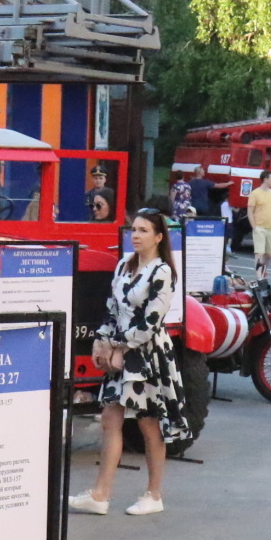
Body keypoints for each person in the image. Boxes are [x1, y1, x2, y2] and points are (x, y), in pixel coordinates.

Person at [69, 209, 189, 516]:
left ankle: (154, 493)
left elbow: (150, 322)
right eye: (133, 229)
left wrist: (118, 347)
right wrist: (101, 340)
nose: (135, 235)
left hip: (147, 357)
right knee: (110, 418)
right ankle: (100, 494)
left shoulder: (162, 272)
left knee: (149, 424)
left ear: (159, 237)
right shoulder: (124, 264)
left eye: (143, 230)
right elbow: (111, 308)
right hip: (120, 352)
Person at [247, 172, 271, 277]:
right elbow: (250, 211)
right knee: (259, 253)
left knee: (268, 254)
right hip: (260, 227)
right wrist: (254, 227)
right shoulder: (255, 193)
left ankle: (263, 270)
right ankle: (259, 278)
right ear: (265, 179)